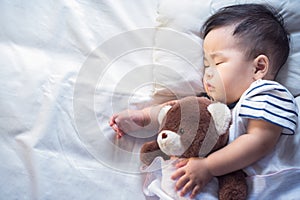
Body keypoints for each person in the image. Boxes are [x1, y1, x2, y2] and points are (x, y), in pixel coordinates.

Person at [109, 4, 298, 199]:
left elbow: (259, 142)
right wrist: (142, 116)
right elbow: (178, 111)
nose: (207, 73)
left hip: (284, 183)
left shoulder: (268, 93)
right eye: (206, 65)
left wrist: (208, 166)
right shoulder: (220, 108)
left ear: (258, 68)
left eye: (217, 63)